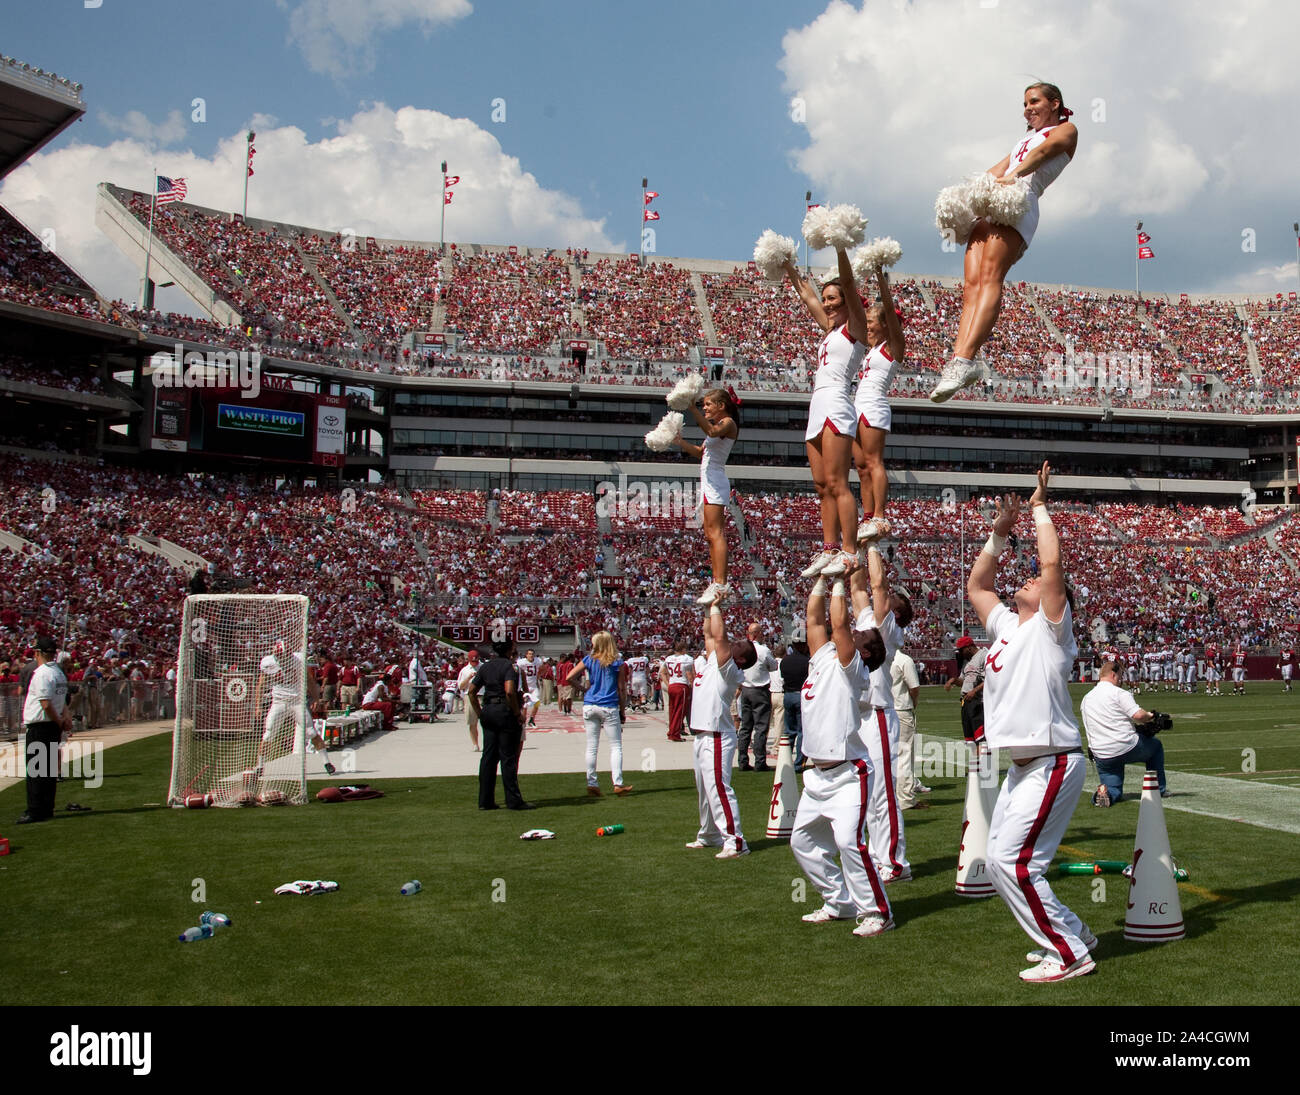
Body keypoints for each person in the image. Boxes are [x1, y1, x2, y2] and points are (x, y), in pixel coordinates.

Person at [966, 462, 1096, 982]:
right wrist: (999, 533)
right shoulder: (1006, 626)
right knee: (1002, 863)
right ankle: (1072, 934)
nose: (1030, 581)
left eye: (1037, 582)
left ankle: (1069, 954)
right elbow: (978, 586)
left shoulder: (1050, 629)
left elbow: (1052, 565)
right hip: (1024, 767)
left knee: (1018, 865)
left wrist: (1039, 506)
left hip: (1052, 761)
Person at [931, 83, 1078, 402]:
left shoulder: (1068, 130)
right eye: (1024, 104)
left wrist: (1014, 175)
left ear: (1054, 104)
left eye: (1034, 101)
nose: (1028, 108)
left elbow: (1042, 155)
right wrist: (965, 195)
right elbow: (996, 169)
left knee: (989, 278)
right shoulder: (1023, 139)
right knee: (971, 285)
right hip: (997, 197)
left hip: (1018, 200)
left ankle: (965, 359)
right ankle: (959, 364)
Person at [791, 567, 893, 936]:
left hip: (848, 774)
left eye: (860, 636)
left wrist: (838, 580)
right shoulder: (823, 661)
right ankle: (839, 901)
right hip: (817, 776)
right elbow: (814, 621)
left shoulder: (855, 671)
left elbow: (837, 626)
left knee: (849, 842)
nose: (855, 633)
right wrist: (819, 581)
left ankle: (878, 911)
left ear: (865, 651)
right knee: (801, 842)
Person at [782, 248, 869, 578]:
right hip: (817, 405)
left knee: (837, 482)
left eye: (835, 298)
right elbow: (807, 296)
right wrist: (787, 262)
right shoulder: (830, 330)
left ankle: (849, 550)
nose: (829, 303)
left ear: (849, 302)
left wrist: (839, 245)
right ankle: (830, 547)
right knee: (821, 485)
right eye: (827, 299)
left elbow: (847, 279)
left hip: (836, 402)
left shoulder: (855, 328)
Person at [850, 544, 913, 882]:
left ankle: (894, 861)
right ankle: (877, 853)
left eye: (891, 599)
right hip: (859, 716)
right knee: (867, 790)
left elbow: (875, 586)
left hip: (877, 714)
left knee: (882, 791)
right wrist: (855, 550)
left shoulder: (888, 628)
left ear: (895, 611)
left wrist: (871, 542)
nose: (885, 598)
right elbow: (859, 587)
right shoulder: (866, 618)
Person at [686, 594, 757, 858]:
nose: (733, 643)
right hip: (702, 734)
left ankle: (736, 841)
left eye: (738, 645)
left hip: (717, 736)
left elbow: (719, 637)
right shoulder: (713, 662)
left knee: (718, 787)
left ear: (739, 659)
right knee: (705, 788)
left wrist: (716, 606)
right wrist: (707, 608)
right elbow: (709, 636)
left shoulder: (730, 671)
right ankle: (709, 834)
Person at [852, 268, 906, 542]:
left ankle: (881, 514)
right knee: (861, 468)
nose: (868, 325)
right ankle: (868, 516)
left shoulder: (894, 346)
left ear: (886, 324)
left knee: (873, 462)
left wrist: (880, 277)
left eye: (872, 321)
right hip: (857, 405)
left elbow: (888, 305)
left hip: (874, 403)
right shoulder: (871, 349)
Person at [673, 388, 741, 605]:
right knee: (709, 535)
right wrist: (679, 442)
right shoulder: (718, 426)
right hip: (709, 482)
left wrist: (691, 408)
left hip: (715, 481)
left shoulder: (728, 423)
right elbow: (701, 452)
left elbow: (712, 432)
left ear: (721, 406)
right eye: (702, 405)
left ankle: (721, 582)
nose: (705, 408)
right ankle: (716, 580)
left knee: (715, 533)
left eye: (708, 404)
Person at [1080, 656, 1169, 806]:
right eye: (1120, 676)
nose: (1121, 680)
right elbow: (1138, 715)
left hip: (1101, 753)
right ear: (1113, 675)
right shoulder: (1119, 693)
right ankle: (1159, 789)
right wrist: (1152, 715)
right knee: (1155, 747)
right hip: (1126, 745)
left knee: (1114, 789)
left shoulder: (1086, 698)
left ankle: (1102, 794)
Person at [467, 639, 533, 811]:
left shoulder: (485, 667)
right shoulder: (509, 667)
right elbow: (510, 691)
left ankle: (485, 800)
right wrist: (517, 713)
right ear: (509, 651)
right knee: (508, 758)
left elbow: (471, 691)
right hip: (504, 712)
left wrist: (480, 712)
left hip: (488, 709)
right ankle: (513, 800)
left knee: (488, 757)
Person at [255, 640, 336, 778]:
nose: (281, 659)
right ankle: (260, 766)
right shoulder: (268, 662)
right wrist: (258, 704)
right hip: (278, 702)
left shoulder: (298, 659)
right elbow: (261, 683)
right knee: (268, 734)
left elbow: (309, 681)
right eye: (278, 656)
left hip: (297, 701)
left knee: (311, 731)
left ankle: (327, 762)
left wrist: (316, 699)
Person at [567, 631, 633, 797]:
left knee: (592, 746)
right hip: (608, 705)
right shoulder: (617, 662)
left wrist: (584, 690)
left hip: (590, 704)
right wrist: (622, 710)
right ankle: (617, 782)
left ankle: (592, 782)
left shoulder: (589, 659)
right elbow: (621, 689)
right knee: (616, 746)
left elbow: (570, 677)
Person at [17, 635, 72, 824]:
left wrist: (58, 721)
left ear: (38, 653)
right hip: (53, 724)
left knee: (36, 770)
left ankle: (35, 810)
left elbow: (45, 703)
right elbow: (62, 701)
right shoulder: (58, 672)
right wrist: (65, 719)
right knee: (48, 770)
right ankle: (47, 807)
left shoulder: (42, 674)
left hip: (41, 724)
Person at [737, 622, 779, 773]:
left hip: (746, 688)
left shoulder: (742, 648)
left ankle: (742, 760)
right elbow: (774, 666)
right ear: (758, 633)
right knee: (760, 727)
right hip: (759, 689)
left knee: (745, 727)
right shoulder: (763, 650)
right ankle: (760, 761)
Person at [890, 647, 925, 810]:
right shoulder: (903, 659)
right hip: (902, 709)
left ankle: (893, 795)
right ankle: (905, 798)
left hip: (885, 710)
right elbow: (914, 687)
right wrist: (914, 702)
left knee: (889, 755)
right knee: (904, 755)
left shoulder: (883, 658)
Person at [946, 635, 988, 747]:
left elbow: (991, 679)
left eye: (961, 650)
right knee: (970, 742)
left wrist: (974, 691)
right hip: (966, 702)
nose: (960, 653)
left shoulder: (983, 655)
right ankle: (976, 765)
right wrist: (954, 680)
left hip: (978, 702)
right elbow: (964, 682)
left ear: (969, 647)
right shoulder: (967, 662)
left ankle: (985, 764)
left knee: (981, 739)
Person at [780, 638, 810, 768]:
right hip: (801, 695)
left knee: (789, 730)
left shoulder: (785, 660)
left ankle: (785, 760)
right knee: (802, 731)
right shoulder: (807, 662)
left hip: (788, 695)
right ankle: (799, 763)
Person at [661, 637, 695, 742]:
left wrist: (668, 683)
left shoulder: (669, 659)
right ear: (683, 649)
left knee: (672, 710)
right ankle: (675, 733)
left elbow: (663, 672)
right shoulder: (687, 659)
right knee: (680, 711)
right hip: (682, 685)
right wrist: (692, 685)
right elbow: (689, 675)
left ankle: (672, 731)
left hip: (672, 684)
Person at [457, 649, 482, 750]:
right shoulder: (465, 670)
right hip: (470, 696)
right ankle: (475, 744)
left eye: (476, 661)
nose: (475, 664)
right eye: (473, 662)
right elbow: (461, 687)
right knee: (472, 721)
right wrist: (468, 678)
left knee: (488, 722)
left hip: (482, 694)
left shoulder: (483, 667)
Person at [516, 647, 542, 727]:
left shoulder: (538, 661)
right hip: (524, 686)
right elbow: (516, 669)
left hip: (533, 686)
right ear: (526, 655)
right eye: (529, 654)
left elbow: (543, 668)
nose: (531, 655)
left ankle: (532, 719)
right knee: (525, 705)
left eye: (532, 654)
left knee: (537, 702)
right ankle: (522, 720)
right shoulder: (521, 662)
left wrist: (538, 676)